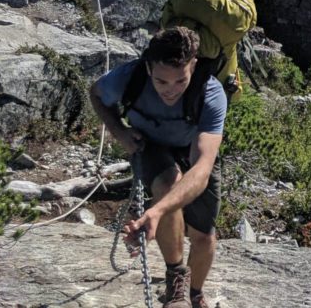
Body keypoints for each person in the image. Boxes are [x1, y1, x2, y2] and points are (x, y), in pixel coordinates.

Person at [90, 26, 227, 308]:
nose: (171, 91)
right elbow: (96, 94)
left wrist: (156, 211)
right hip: (149, 145)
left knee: (203, 235)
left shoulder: (211, 94)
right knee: (168, 183)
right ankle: (176, 280)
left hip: (191, 149)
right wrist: (120, 132)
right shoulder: (130, 77)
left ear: (194, 66)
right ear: (148, 66)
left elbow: (201, 170)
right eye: (161, 81)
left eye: (180, 81)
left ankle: (193, 294)